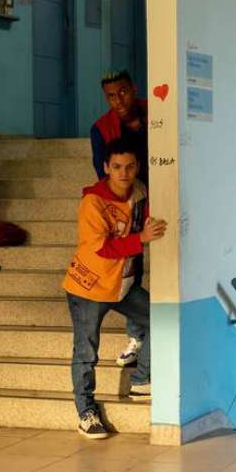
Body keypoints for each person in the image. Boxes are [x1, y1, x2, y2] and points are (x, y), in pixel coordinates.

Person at [63, 138, 167, 439]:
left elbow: (148, 219)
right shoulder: (93, 202)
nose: (124, 173)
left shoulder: (140, 191)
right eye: (117, 167)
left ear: (137, 168)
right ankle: (86, 413)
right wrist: (141, 239)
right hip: (89, 287)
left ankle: (141, 381)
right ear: (106, 167)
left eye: (130, 167)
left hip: (123, 285)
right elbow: (101, 247)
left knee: (162, 319)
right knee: (86, 352)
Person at [90, 70, 149, 369]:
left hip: (168, 195)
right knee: (131, 268)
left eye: (123, 92)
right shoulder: (101, 129)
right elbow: (104, 175)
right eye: (111, 96)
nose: (118, 100)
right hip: (130, 204)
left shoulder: (157, 111)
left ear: (133, 89)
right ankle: (136, 337)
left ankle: (147, 334)